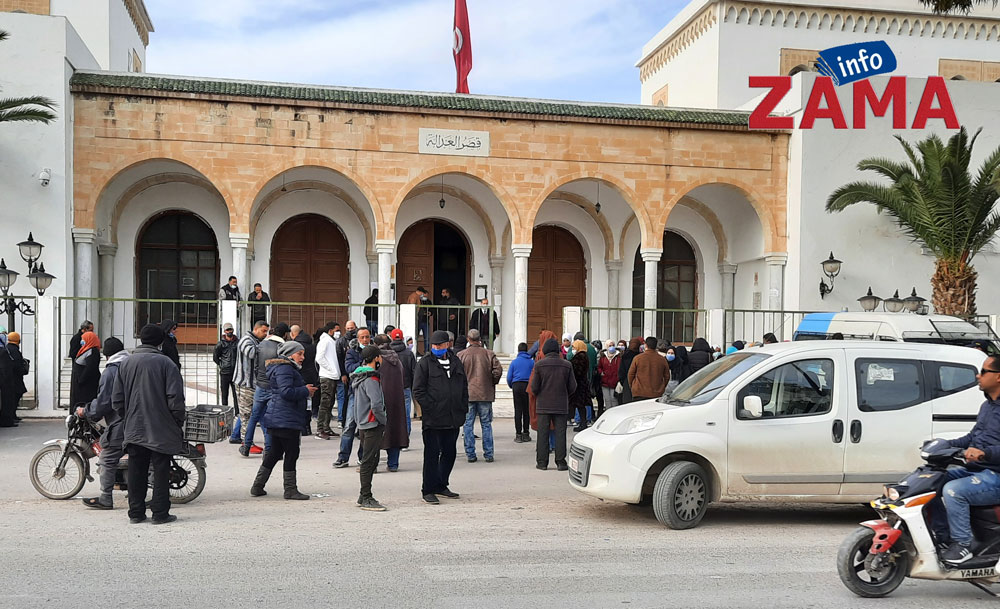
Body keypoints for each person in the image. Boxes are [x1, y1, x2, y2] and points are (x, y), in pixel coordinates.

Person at [112, 324, 185, 525]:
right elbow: (175, 398)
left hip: (134, 426)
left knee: (136, 469)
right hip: (161, 426)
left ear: (141, 340)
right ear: (161, 341)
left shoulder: (125, 364)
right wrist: (177, 420)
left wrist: (128, 417)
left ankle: (136, 513)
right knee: (161, 470)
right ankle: (160, 513)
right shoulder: (167, 364)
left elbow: (116, 399)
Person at [932, 355, 1000, 564]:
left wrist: (985, 453)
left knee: (954, 491)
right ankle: (945, 538)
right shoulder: (986, 406)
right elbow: (972, 437)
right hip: (977, 470)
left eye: (983, 371)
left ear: (998, 377)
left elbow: (983, 447)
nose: (978, 376)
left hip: (995, 475)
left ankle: (963, 545)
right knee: (931, 481)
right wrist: (944, 443)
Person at [250, 341, 315, 501]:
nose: (302, 357)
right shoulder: (285, 368)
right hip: (286, 418)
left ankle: (258, 486)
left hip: (279, 416)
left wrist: (302, 389)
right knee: (292, 453)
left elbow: (283, 390)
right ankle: (290, 490)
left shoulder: (282, 367)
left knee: (275, 453)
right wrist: (305, 390)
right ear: (289, 354)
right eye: (299, 354)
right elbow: (286, 392)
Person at [413, 330, 468, 504]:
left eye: (440, 345)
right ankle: (428, 489)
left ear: (447, 345)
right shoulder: (425, 364)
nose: (437, 347)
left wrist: (463, 407)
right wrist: (431, 407)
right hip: (433, 419)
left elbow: (464, 387)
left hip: (453, 418)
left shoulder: (456, 362)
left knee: (450, 452)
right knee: (431, 454)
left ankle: (441, 484)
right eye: (434, 345)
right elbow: (418, 391)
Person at [77, 338, 128, 509]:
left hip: (122, 421)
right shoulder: (131, 365)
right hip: (139, 419)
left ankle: (106, 497)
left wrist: (87, 411)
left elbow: (104, 401)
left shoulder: (111, 371)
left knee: (107, 457)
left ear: (106, 354)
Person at [242, 322, 288, 457]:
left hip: (260, 386)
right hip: (273, 387)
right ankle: (268, 449)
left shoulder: (261, 345)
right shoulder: (281, 347)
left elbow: (256, 365)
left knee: (253, 417)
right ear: (285, 334)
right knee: (270, 419)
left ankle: (246, 446)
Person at [352, 344, 388, 511]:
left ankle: (363, 495)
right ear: (375, 358)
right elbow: (376, 404)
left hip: (362, 422)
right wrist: (384, 420)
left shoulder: (359, 376)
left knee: (369, 459)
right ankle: (366, 495)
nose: (381, 359)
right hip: (372, 423)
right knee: (369, 461)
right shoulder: (372, 379)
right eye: (379, 356)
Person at [531, 338, 576, 471]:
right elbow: (573, 386)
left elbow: (534, 387)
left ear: (544, 350)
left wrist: (540, 394)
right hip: (561, 404)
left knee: (543, 434)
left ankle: (542, 462)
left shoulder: (539, 365)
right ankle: (561, 462)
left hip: (543, 404)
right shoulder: (567, 365)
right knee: (560, 433)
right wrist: (564, 394)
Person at [458, 328, 502, 463]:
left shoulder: (461, 355)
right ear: (480, 340)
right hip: (485, 394)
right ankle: (489, 454)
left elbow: (457, 375)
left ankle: (470, 454)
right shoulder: (489, 354)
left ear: (468, 339)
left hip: (468, 394)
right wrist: (491, 382)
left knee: (468, 424)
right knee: (486, 424)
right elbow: (497, 371)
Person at [333, 328, 372, 468]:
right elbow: (349, 367)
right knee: (349, 425)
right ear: (358, 338)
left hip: (370, 395)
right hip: (354, 393)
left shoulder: (374, 351)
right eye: (362, 337)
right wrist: (364, 364)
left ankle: (363, 457)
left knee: (366, 428)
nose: (365, 340)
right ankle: (343, 457)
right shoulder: (352, 351)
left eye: (367, 337)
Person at [373, 334, 409, 472]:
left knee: (375, 434)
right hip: (396, 401)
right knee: (395, 432)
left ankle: (373, 464)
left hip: (380, 400)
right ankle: (393, 464)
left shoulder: (376, 360)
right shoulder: (397, 359)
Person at [231, 320, 268, 446]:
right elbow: (251, 353)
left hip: (253, 383)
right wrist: (266, 347)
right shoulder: (246, 340)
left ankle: (236, 436)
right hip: (245, 383)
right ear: (256, 329)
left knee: (248, 411)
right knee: (247, 413)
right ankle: (246, 443)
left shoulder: (257, 341)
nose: (265, 334)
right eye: (263, 331)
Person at [315, 321, 343, 440]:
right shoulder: (325, 341)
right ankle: (320, 428)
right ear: (331, 330)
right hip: (327, 376)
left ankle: (326, 427)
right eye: (336, 330)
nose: (338, 333)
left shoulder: (332, 341)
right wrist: (330, 369)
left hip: (333, 376)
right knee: (325, 403)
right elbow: (319, 358)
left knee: (330, 403)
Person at [389, 328, 416, 435]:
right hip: (405, 387)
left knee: (391, 414)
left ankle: (393, 437)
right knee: (405, 415)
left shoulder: (386, 353)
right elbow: (414, 371)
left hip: (390, 388)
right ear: (402, 338)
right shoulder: (409, 353)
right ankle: (405, 438)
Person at [506, 342, 534, 443]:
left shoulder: (514, 362)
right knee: (527, 410)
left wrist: (511, 385)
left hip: (516, 385)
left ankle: (518, 434)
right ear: (527, 350)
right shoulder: (531, 362)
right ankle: (526, 433)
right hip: (527, 385)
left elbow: (509, 377)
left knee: (518, 410)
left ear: (518, 350)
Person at [628, 336, 671, 401]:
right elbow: (667, 376)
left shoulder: (638, 358)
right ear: (656, 346)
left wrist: (633, 387)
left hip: (639, 392)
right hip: (656, 393)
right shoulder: (662, 359)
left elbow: (630, 374)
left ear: (645, 345)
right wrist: (662, 387)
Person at [290, 325, 318, 422]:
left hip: (300, 374)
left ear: (292, 333)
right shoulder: (312, 345)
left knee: (301, 401)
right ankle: (308, 423)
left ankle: (303, 424)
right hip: (311, 374)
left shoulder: (295, 346)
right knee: (309, 401)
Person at [70, 330, 101, 412]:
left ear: (89, 339)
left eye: (84, 339)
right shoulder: (85, 350)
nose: (82, 341)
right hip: (80, 386)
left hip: (85, 388)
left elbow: (90, 368)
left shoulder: (93, 351)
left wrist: (81, 380)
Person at [336, 320, 359, 427]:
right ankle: (343, 420)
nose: (350, 330)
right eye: (348, 328)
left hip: (359, 375)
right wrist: (343, 374)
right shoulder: (341, 341)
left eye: (352, 328)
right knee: (345, 398)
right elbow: (340, 359)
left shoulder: (360, 340)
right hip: (347, 373)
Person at [213, 323, 238, 408]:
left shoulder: (237, 342)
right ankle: (225, 411)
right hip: (224, 372)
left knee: (237, 395)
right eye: (227, 330)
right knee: (224, 394)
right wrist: (222, 365)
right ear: (224, 331)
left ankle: (237, 412)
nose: (229, 331)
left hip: (235, 372)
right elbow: (215, 357)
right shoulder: (220, 344)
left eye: (230, 329)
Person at [569, 340, 592, 432]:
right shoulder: (583, 356)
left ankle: (583, 423)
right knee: (580, 405)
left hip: (579, 384)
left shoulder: (580, 357)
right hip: (581, 383)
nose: (573, 349)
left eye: (574, 347)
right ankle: (583, 422)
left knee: (580, 404)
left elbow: (577, 371)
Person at [407, 287, 432, 354]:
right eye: (422, 293)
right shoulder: (414, 297)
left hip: (424, 320)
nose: (422, 294)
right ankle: (415, 351)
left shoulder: (425, 300)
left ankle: (426, 351)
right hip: (418, 320)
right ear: (419, 292)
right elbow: (413, 308)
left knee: (426, 337)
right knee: (415, 337)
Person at [597, 340, 621, 411]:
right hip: (605, 382)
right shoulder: (603, 357)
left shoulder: (618, 357)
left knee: (614, 400)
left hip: (615, 382)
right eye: (610, 346)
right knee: (607, 400)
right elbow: (599, 367)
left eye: (613, 345)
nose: (612, 347)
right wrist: (601, 372)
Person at [617, 337, 642, 405]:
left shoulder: (625, 356)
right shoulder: (640, 356)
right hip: (638, 382)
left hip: (627, 382)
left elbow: (621, 371)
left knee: (627, 402)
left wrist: (622, 381)